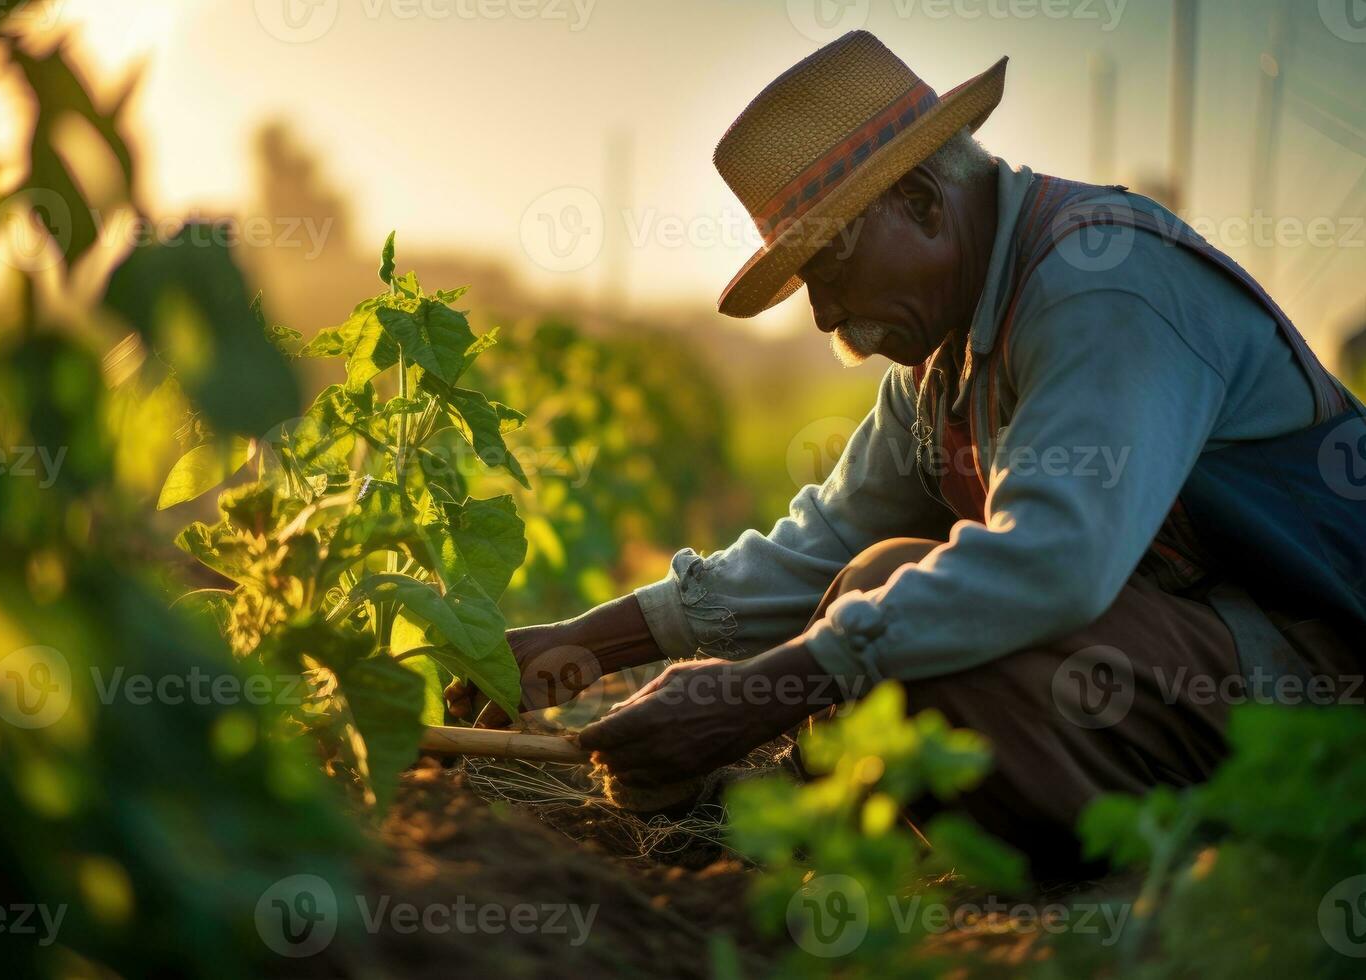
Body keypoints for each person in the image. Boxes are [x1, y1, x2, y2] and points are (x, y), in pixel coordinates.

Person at [448, 31, 1366, 876]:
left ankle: (1193, 871)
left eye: (830, 270)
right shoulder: (947, 357)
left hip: (1316, 692)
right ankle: (789, 818)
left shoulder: (1104, 283)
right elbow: (826, 536)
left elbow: (1055, 563)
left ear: (923, 202)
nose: (821, 315)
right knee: (872, 577)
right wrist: (591, 640)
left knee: (917, 642)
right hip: (1201, 669)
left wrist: (759, 695)